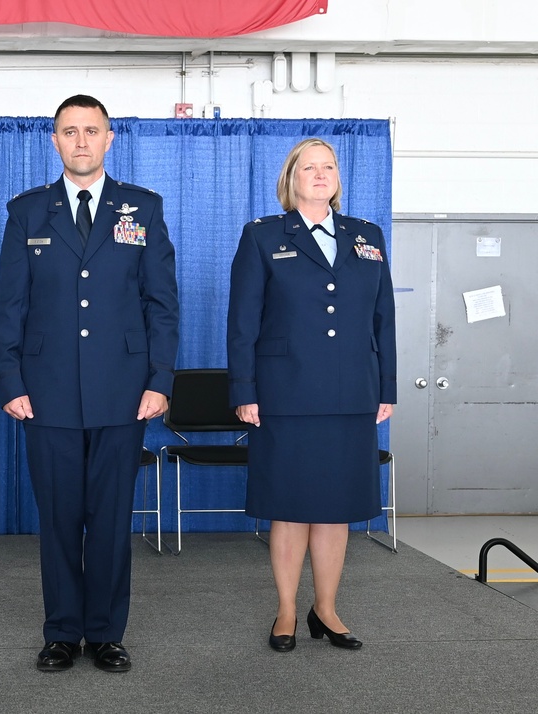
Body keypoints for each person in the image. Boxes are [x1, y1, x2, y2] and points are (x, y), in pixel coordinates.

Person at [0, 94, 179, 673]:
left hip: (123, 392)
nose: (80, 141)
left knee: (110, 517)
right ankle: (60, 631)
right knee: (58, 520)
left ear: (109, 138)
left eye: (91, 131)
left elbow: (162, 306)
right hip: (44, 393)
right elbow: (9, 307)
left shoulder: (141, 208)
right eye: (69, 132)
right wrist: (10, 379)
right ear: (54, 140)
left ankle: (105, 632)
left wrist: (160, 380)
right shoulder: (27, 211)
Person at [226, 137, 397, 652]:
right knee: (290, 507)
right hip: (286, 393)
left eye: (328, 167)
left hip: (351, 394)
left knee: (335, 508)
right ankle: (285, 612)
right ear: (291, 178)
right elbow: (242, 322)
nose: (320, 174)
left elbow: (382, 318)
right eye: (309, 167)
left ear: (338, 178)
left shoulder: (367, 236)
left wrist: (386, 386)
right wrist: (244, 390)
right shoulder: (262, 237)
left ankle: (325, 609)